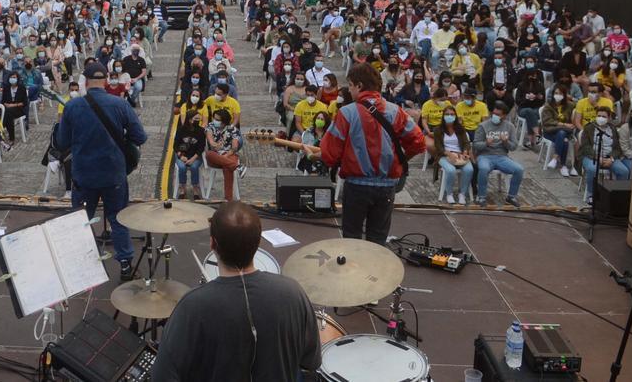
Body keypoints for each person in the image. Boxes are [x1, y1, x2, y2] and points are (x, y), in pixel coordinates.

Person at [151, 202, 321, 382]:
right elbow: (311, 362)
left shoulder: (192, 307)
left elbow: (163, 377)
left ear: (212, 243)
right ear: (258, 243)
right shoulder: (293, 293)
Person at [54, 61, 147, 281]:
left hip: (84, 174)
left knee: (81, 219)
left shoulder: (73, 107)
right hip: (113, 173)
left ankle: (80, 262)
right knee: (118, 218)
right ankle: (125, 264)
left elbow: (61, 142)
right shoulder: (120, 105)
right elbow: (140, 137)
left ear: (85, 81)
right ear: (106, 80)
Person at [320, 63, 427, 245]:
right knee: (377, 241)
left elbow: (329, 153)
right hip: (386, 187)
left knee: (352, 240)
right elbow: (418, 142)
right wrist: (401, 159)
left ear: (359, 86)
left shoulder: (346, 113)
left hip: (356, 186)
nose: (350, 90)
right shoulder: (396, 111)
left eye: (351, 86)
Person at [472, 101, 524, 207]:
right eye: (493, 114)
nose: (494, 116)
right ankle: (481, 197)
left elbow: (514, 146)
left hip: (502, 156)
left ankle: (511, 196)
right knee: (483, 168)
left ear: (504, 115)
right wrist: (486, 143)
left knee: (519, 169)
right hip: (484, 156)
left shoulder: (510, 127)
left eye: (498, 114)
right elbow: (476, 145)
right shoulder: (483, 126)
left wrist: (505, 142)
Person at [579, 106, 630, 203]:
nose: (601, 118)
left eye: (604, 116)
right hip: (591, 156)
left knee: (624, 171)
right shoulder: (589, 128)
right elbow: (585, 147)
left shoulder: (613, 129)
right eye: (599, 116)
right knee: (593, 169)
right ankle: (591, 194)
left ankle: (617, 195)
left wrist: (611, 158)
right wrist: (597, 157)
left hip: (608, 157)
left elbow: (617, 148)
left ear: (609, 118)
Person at [432, 106, 474, 204]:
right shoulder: (438, 129)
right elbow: (438, 147)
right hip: (444, 155)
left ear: (455, 116)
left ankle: (462, 194)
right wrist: (448, 153)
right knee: (451, 170)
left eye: (452, 114)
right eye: (447, 114)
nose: (450, 116)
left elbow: (466, 143)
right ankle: (449, 193)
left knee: (469, 169)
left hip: (459, 155)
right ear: (443, 116)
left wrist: (465, 152)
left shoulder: (460, 128)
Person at [541, 85, 578, 176]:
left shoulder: (569, 105)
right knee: (564, 140)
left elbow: (579, 104)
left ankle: (555, 158)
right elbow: (547, 121)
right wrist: (563, 124)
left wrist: (572, 98)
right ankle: (563, 166)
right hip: (550, 131)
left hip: (564, 132)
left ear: (565, 95)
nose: (558, 95)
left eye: (560, 94)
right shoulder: (548, 106)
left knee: (562, 134)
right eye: (556, 93)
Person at [173, 107, 207, 199]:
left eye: (199, 119)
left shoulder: (201, 131)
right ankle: (182, 187)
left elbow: (201, 147)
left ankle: (195, 187)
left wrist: (193, 158)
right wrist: (181, 156)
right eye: (196, 119)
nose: (198, 121)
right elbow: (175, 145)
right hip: (182, 155)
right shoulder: (181, 130)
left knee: (194, 167)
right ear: (190, 119)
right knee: (182, 167)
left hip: (195, 156)